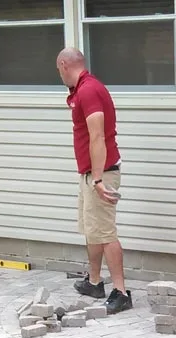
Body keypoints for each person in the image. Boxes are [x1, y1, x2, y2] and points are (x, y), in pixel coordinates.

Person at [56, 47, 132, 315]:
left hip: (101, 173)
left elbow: (98, 136)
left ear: (64, 64)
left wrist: (98, 179)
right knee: (92, 229)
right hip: (90, 173)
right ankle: (95, 282)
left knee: (105, 232)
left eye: (58, 70)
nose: (59, 75)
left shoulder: (88, 90)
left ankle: (121, 292)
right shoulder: (82, 90)